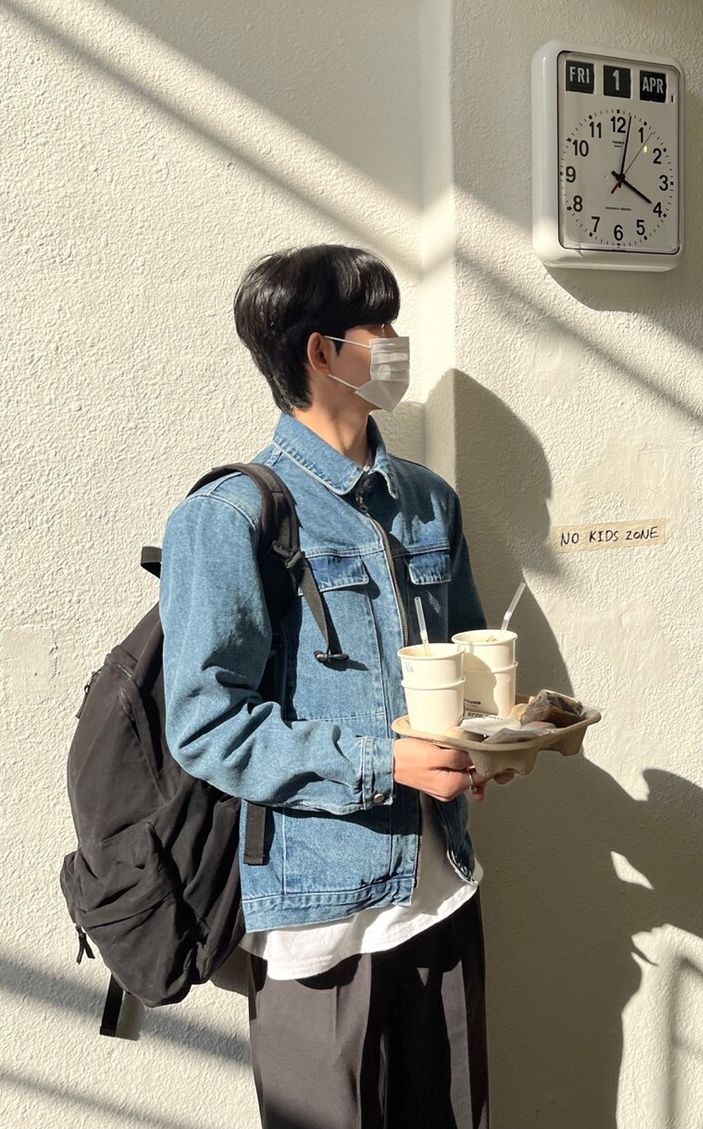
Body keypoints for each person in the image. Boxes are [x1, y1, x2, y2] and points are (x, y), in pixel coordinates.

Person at [160, 243, 506, 1129]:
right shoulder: (228, 517)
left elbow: (466, 662)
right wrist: (387, 762)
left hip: (441, 886)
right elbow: (206, 724)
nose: (396, 342)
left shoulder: (428, 501)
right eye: (379, 325)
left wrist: (490, 741)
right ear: (321, 351)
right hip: (316, 916)